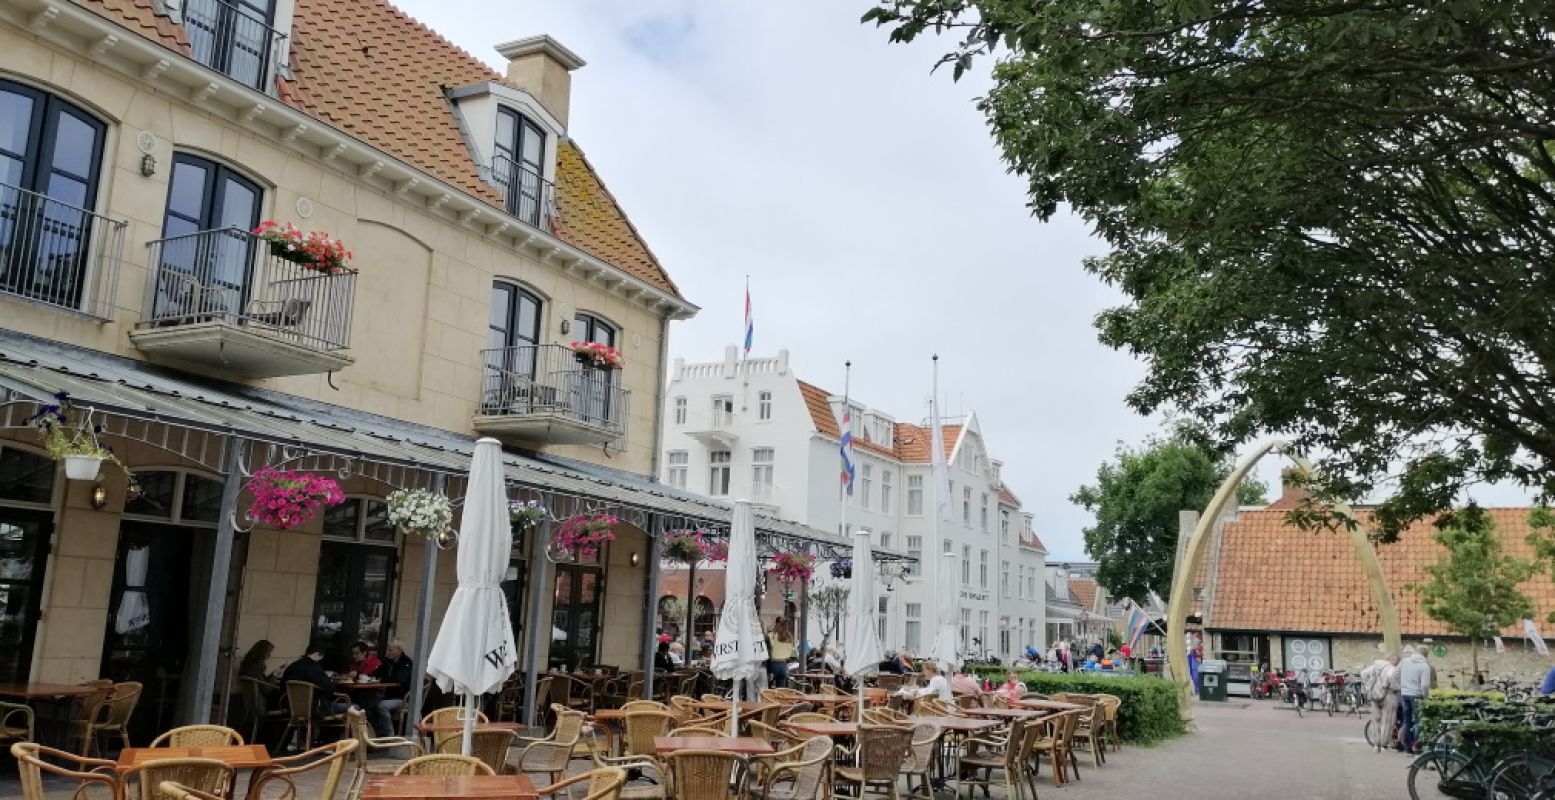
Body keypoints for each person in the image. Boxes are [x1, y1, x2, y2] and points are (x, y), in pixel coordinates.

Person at [369, 639, 413, 737]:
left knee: (381, 706)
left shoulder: (406, 662)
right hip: (389, 695)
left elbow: (400, 679)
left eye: (390, 650)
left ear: (399, 650)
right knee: (369, 703)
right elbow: (375, 673)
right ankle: (376, 733)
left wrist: (382, 680)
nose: (388, 652)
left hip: (403, 697)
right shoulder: (388, 661)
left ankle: (389, 735)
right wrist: (365, 676)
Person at [1399, 645, 1431, 754]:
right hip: (1417, 695)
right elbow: (1425, 685)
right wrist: (1426, 697)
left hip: (1405, 694)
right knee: (1419, 721)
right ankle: (1417, 746)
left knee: (1407, 721)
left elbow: (1394, 674)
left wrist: (1401, 686)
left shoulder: (1405, 661)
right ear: (1426, 654)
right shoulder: (1424, 666)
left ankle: (1408, 747)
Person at [767, 618, 797, 689]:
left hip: (773, 664)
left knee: (768, 686)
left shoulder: (772, 635)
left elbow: (769, 648)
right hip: (783, 664)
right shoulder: (789, 636)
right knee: (781, 688)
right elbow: (792, 654)